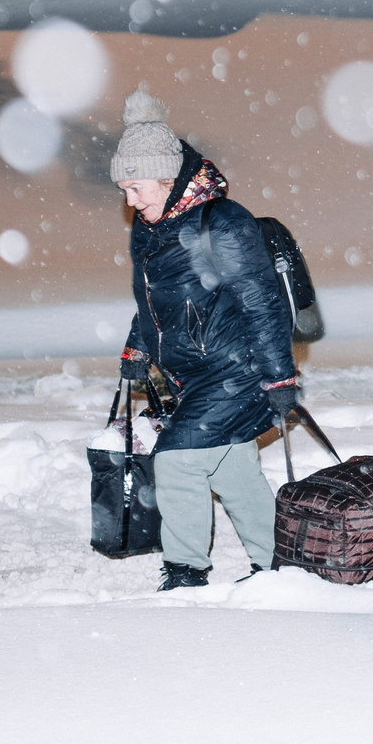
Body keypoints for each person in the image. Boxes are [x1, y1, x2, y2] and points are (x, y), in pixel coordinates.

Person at [111, 90, 302, 590]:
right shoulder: (152, 229)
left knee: (176, 459)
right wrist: (138, 345)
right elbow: (155, 298)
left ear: (166, 178)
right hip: (194, 372)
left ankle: (186, 573)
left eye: (136, 188)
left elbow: (263, 302)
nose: (130, 202)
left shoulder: (223, 221)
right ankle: (278, 565)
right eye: (125, 192)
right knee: (231, 470)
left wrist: (279, 374)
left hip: (236, 370)